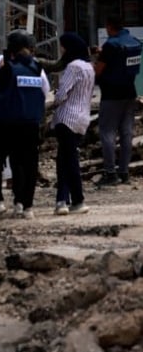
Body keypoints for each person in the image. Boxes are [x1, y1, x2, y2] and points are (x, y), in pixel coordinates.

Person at [0, 40, 50, 218]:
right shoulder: (37, 68)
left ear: (12, 52)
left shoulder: (7, 68)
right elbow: (45, 91)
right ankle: (25, 205)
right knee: (27, 165)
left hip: (5, 123)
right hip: (30, 123)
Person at [93, 15, 141, 187]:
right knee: (127, 133)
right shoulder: (134, 42)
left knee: (107, 133)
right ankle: (124, 172)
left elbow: (98, 71)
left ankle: (110, 173)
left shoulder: (111, 45)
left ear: (109, 27)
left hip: (111, 95)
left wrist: (95, 61)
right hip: (130, 92)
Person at [51, 33, 95, 215]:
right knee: (65, 160)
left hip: (67, 118)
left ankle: (76, 199)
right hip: (82, 119)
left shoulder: (73, 67)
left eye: (62, 46)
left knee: (68, 162)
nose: (61, 50)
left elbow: (62, 95)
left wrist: (54, 101)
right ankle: (63, 199)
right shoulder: (89, 67)